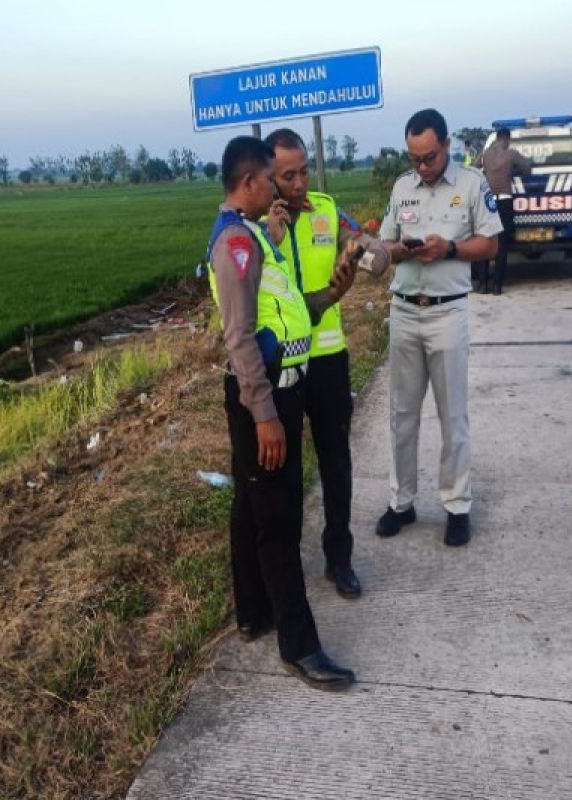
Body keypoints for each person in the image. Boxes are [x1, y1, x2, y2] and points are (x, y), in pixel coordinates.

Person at [205, 135, 359, 690]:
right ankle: (300, 645)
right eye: (270, 179)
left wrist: (330, 295)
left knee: (252, 506)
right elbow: (240, 337)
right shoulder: (237, 246)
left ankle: (253, 612)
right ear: (249, 183)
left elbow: (288, 308)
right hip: (265, 396)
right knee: (279, 522)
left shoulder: (254, 237)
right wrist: (265, 414)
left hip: (279, 388)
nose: (277, 188)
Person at [263, 128, 391, 599]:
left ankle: (340, 559)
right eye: (287, 175)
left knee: (337, 463)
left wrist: (363, 254)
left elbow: (372, 246)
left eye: (303, 171)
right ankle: (288, 563)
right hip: (284, 367)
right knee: (289, 472)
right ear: (268, 179)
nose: (298, 183)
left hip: (330, 359)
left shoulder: (324, 208)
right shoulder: (261, 226)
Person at [375, 109, 502, 547]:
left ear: (446, 145)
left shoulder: (471, 184)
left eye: (429, 157)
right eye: (414, 159)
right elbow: (387, 245)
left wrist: (448, 248)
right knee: (402, 415)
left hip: (448, 312)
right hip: (406, 311)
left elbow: (489, 243)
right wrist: (396, 250)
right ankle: (401, 503)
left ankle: (457, 506)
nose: (423, 167)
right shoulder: (401, 187)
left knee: (453, 416)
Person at [479, 126, 532, 294]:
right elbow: (527, 169)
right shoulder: (511, 154)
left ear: (496, 138)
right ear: (507, 139)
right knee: (502, 245)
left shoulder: (485, 154)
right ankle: (497, 286)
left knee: (486, 242)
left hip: (488, 203)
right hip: (505, 202)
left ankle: (482, 284)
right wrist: (512, 171)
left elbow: (472, 168)